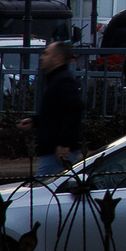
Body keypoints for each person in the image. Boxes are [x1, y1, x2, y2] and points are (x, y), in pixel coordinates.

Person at [18, 42, 84, 179]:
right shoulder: (58, 80)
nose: (42, 57)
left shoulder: (63, 81)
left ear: (58, 59)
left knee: (41, 190)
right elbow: (57, 112)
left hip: (57, 151)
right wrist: (35, 121)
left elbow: (74, 111)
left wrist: (65, 143)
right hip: (54, 149)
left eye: (46, 53)